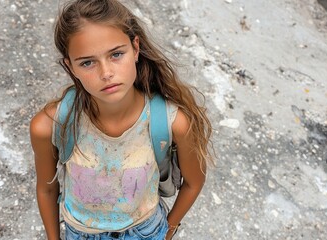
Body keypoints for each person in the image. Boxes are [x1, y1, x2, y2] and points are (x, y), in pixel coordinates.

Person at [29, 0, 214, 239]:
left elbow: (194, 182)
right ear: (70, 66)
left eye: (116, 54)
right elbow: (46, 189)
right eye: (87, 62)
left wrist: (167, 232)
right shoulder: (50, 126)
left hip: (146, 231)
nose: (106, 73)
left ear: (135, 48)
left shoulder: (172, 123)